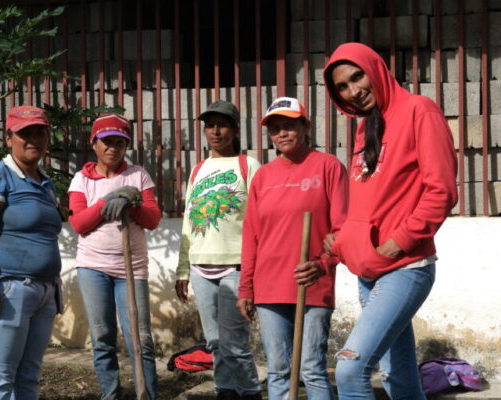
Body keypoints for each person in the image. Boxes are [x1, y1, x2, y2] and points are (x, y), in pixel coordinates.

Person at [322, 42, 457, 398]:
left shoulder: (419, 111)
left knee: (351, 370)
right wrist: (344, 239)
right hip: (369, 270)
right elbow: (369, 198)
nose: (354, 91)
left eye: (357, 77)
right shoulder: (366, 127)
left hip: (405, 266)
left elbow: (440, 190)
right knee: (398, 377)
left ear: (376, 69)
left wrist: (397, 242)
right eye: (343, 87)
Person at [237, 97, 348, 400]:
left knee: (312, 368)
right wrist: (246, 288)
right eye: (275, 129)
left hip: (312, 282)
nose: (282, 133)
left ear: (305, 126)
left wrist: (323, 264)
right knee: (278, 371)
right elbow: (252, 236)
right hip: (269, 286)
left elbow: (343, 230)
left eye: (289, 125)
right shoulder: (263, 176)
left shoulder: (329, 167)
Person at [0, 105, 63, 400]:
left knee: (28, 379)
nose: (33, 139)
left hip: (43, 292)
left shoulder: (45, 181)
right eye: (25, 133)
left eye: (40, 132)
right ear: (9, 138)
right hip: (5, 289)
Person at [68, 113, 162, 399]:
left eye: (119, 143)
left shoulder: (137, 174)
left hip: (131, 269)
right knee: (102, 337)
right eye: (106, 141)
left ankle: (146, 394)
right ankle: (111, 394)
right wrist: (108, 199)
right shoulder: (81, 179)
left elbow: (153, 218)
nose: (113, 148)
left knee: (140, 337)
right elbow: (79, 223)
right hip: (93, 268)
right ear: (94, 143)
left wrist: (131, 204)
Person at [174, 100, 262, 400]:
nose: (215, 131)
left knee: (235, 344)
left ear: (236, 129)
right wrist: (183, 269)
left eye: (222, 124)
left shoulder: (248, 166)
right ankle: (224, 391)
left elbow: (258, 221)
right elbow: (188, 221)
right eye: (209, 125)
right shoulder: (198, 169)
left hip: (235, 268)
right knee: (213, 343)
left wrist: (253, 272)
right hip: (200, 268)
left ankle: (250, 392)